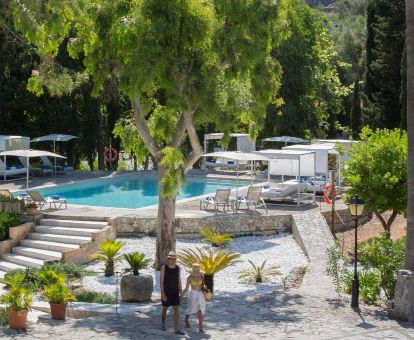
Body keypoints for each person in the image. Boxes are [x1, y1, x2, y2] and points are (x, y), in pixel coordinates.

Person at [160, 251, 185, 335]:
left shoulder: (178, 268)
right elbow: (161, 282)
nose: (172, 260)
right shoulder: (163, 268)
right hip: (166, 292)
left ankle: (176, 329)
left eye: (174, 259)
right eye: (170, 258)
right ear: (168, 259)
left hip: (175, 292)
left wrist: (181, 293)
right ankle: (163, 324)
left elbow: (179, 281)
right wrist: (163, 294)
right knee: (165, 308)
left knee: (176, 309)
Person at [182, 263, 207, 333]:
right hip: (193, 294)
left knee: (201, 309)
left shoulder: (202, 276)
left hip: (201, 294)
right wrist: (181, 296)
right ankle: (186, 321)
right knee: (191, 309)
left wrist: (205, 289)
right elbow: (186, 288)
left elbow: (203, 285)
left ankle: (200, 328)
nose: (196, 274)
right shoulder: (189, 277)